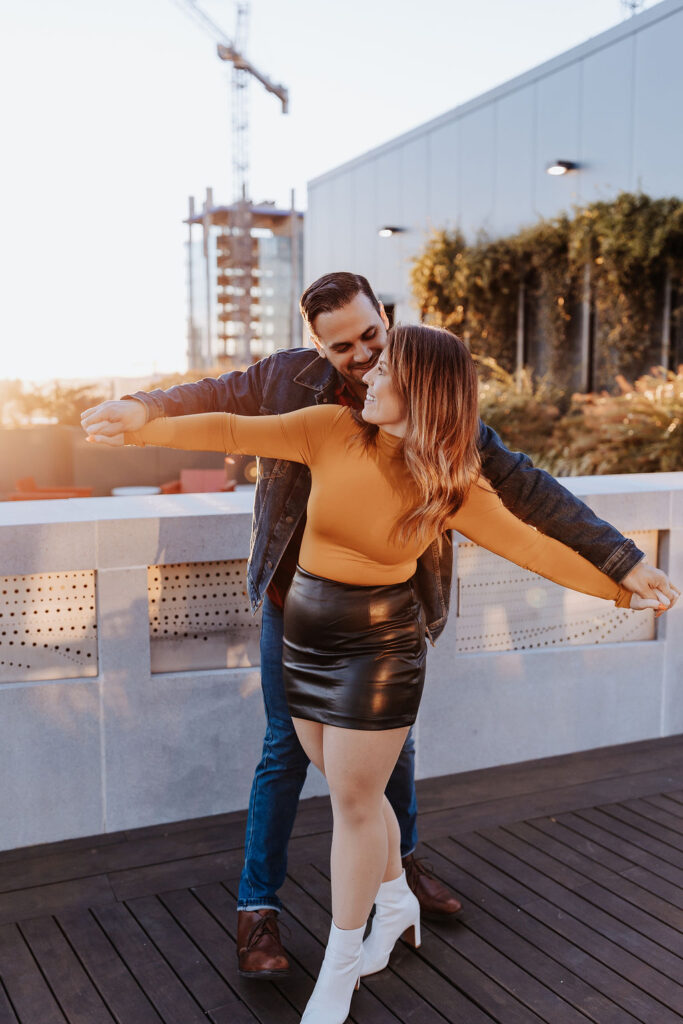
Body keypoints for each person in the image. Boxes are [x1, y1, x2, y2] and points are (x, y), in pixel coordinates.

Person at [81, 273, 677, 982]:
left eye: (375, 339)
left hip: (385, 622)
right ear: (317, 346)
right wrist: (137, 413)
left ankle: (395, 885)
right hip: (291, 608)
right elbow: (216, 410)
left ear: (387, 324)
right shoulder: (299, 393)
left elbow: (531, 509)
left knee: (383, 765)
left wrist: (621, 570)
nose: (364, 357)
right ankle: (259, 907)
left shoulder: (439, 425)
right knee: (289, 755)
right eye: (345, 347)